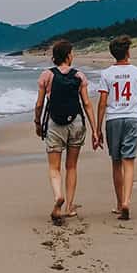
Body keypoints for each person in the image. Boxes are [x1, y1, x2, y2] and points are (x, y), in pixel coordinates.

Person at [33, 39, 95, 224]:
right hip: (76, 123)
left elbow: (39, 104)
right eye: (72, 52)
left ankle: (58, 195)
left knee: (54, 167)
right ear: (68, 55)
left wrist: (37, 122)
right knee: (71, 166)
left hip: (54, 124)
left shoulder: (46, 75)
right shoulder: (79, 76)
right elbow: (86, 104)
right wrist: (95, 128)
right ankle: (69, 206)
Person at [93, 34, 137, 220]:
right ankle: (126, 201)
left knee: (116, 162)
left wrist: (97, 128)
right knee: (129, 162)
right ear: (128, 51)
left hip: (113, 119)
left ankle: (119, 205)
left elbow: (102, 102)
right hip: (133, 118)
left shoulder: (107, 74)